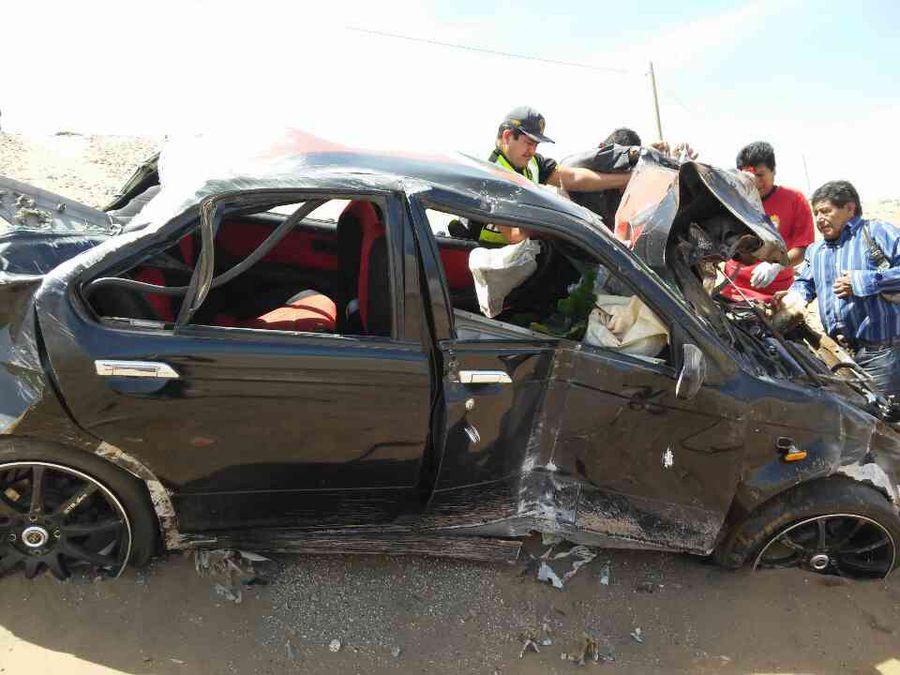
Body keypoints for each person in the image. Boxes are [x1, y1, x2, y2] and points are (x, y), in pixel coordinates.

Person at [776, 180, 900, 397]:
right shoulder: (816, 251)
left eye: (826, 211)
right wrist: (792, 298)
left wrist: (862, 282)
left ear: (850, 209)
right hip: (840, 356)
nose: (819, 219)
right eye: (816, 213)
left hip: (882, 355)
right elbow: (805, 284)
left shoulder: (877, 232)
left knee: (887, 423)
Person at [480, 107, 632, 244]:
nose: (532, 151)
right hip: (489, 261)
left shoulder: (533, 163)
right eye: (528, 143)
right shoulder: (492, 174)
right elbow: (514, 235)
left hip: (518, 258)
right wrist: (554, 216)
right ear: (507, 137)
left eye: (536, 145)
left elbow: (573, 177)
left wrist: (626, 180)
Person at [721, 141, 814, 302]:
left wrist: (777, 265)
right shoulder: (732, 201)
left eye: (760, 175)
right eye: (749, 176)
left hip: (777, 293)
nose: (756, 182)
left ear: (773, 171)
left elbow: (804, 249)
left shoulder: (794, 200)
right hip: (734, 289)